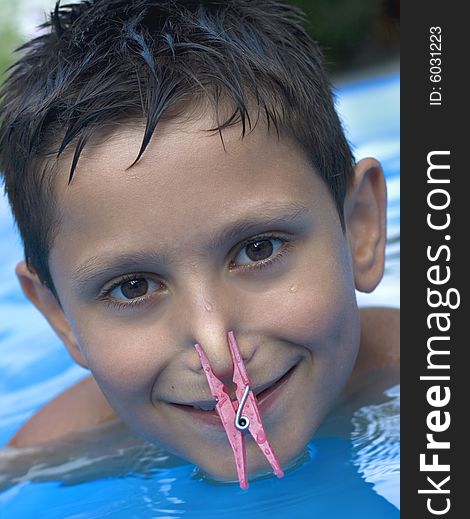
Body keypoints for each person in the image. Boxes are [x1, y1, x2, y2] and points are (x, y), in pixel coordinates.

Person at [0, 0, 399, 484]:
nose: (215, 351)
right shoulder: (45, 456)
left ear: (360, 230)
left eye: (258, 249)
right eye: (133, 287)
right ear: (60, 315)